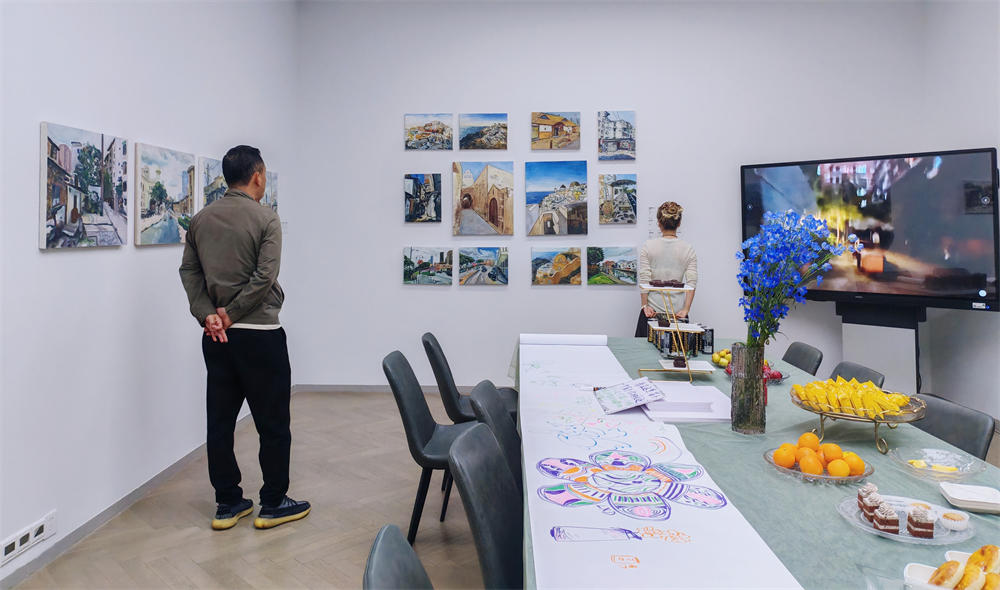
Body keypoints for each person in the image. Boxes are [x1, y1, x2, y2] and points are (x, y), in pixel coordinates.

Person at [179, 145, 310, 531]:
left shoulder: (201, 219)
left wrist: (209, 314)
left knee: (220, 422)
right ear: (257, 176)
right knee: (273, 423)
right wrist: (232, 314)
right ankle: (273, 502)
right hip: (261, 335)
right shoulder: (266, 218)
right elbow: (265, 277)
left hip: (217, 339)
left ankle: (227, 503)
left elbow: (189, 272)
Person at [636, 201, 698, 337]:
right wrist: (686, 309)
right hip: (677, 314)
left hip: (651, 312)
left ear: (659, 223)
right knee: (677, 350)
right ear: (679, 223)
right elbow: (692, 283)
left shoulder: (648, 246)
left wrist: (645, 306)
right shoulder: (688, 249)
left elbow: (644, 278)